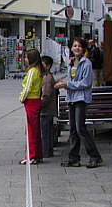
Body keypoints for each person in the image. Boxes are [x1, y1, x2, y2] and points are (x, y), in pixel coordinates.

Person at [55, 37, 103, 168]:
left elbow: (86, 83)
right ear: (71, 48)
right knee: (73, 130)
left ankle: (95, 156)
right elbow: (70, 80)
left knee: (81, 128)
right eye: (75, 46)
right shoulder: (71, 63)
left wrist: (68, 84)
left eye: (79, 46)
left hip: (81, 99)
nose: (77, 48)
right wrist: (61, 83)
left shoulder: (86, 63)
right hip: (71, 98)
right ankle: (73, 158)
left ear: (83, 49)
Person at [19, 49, 43, 165]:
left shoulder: (32, 71)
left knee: (31, 130)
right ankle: (37, 154)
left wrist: (22, 98)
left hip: (31, 101)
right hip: (36, 100)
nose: (25, 60)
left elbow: (27, 87)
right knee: (35, 128)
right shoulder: (38, 71)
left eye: (26, 58)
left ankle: (31, 155)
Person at [40, 56, 58, 158]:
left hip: (46, 110)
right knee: (48, 131)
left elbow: (46, 95)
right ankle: (48, 150)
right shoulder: (48, 76)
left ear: (48, 66)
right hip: (50, 110)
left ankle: (46, 151)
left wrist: (39, 106)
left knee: (45, 132)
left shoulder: (47, 78)